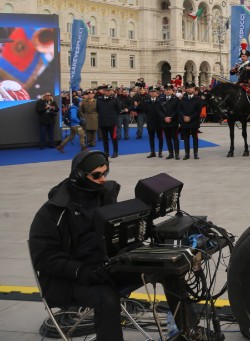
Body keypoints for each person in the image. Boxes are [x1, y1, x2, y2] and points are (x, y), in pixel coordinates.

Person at [29, 151, 204, 341]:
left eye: (106, 173)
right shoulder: (52, 212)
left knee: (170, 271)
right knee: (107, 298)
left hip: (108, 268)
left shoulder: (104, 196)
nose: (103, 179)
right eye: (97, 175)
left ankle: (189, 331)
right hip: (69, 279)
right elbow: (44, 259)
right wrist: (82, 271)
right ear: (79, 175)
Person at [178, 83, 202, 160]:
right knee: (186, 138)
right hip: (185, 121)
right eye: (188, 88)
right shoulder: (183, 98)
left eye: (191, 88)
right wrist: (184, 116)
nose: (189, 89)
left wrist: (190, 117)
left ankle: (195, 153)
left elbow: (198, 111)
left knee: (195, 137)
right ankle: (187, 154)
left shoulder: (198, 98)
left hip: (194, 121)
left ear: (194, 89)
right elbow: (180, 109)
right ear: (186, 89)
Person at [95, 86, 120, 158]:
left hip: (112, 122)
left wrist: (113, 117)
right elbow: (97, 109)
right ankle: (106, 152)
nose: (109, 92)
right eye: (107, 91)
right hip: (103, 122)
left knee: (114, 138)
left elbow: (118, 110)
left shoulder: (115, 99)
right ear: (103, 91)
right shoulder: (99, 100)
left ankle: (115, 152)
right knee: (105, 139)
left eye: (110, 91)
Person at [159, 84, 180, 160]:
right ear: (164, 91)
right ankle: (170, 153)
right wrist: (164, 117)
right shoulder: (161, 99)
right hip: (164, 121)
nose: (168, 91)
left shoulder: (176, 99)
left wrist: (171, 117)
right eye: (166, 90)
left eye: (169, 90)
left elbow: (177, 110)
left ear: (172, 91)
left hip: (173, 121)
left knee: (175, 138)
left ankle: (177, 154)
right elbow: (159, 110)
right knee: (167, 138)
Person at [142, 86, 164, 158]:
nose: (153, 93)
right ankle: (152, 152)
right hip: (150, 122)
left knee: (160, 137)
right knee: (151, 138)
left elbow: (163, 111)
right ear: (149, 93)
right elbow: (145, 111)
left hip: (159, 122)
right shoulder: (147, 102)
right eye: (151, 92)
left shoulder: (160, 101)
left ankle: (160, 152)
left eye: (154, 92)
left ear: (157, 93)